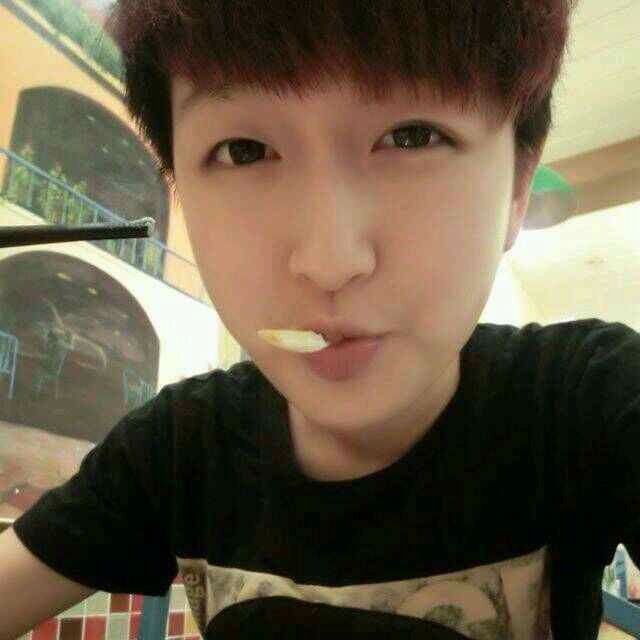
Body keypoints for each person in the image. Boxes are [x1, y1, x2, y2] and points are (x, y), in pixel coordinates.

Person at [1, 1, 638, 638]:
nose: (330, 262)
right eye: (245, 150)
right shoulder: (177, 449)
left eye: (413, 136)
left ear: (518, 187)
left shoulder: (585, 401)